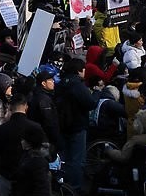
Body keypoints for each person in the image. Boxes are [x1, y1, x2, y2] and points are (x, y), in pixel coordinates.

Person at [55, 58, 96, 194]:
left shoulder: (61, 83)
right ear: (79, 71)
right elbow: (90, 103)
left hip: (62, 125)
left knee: (64, 158)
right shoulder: (77, 85)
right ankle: (74, 187)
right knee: (77, 160)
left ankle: (62, 185)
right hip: (77, 125)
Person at [0, 92, 47, 196]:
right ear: (26, 107)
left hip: (7, 176)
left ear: (10, 108)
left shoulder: (2, 129)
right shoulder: (35, 127)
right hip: (30, 179)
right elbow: (44, 152)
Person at [28, 71, 60, 159]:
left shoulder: (38, 95)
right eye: (50, 80)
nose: (53, 81)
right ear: (43, 83)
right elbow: (49, 121)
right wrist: (55, 138)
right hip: (45, 140)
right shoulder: (43, 99)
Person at [13, 125, 51, 196]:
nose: (21, 141)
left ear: (29, 142)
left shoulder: (37, 162)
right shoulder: (28, 155)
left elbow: (42, 189)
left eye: (23, 139)